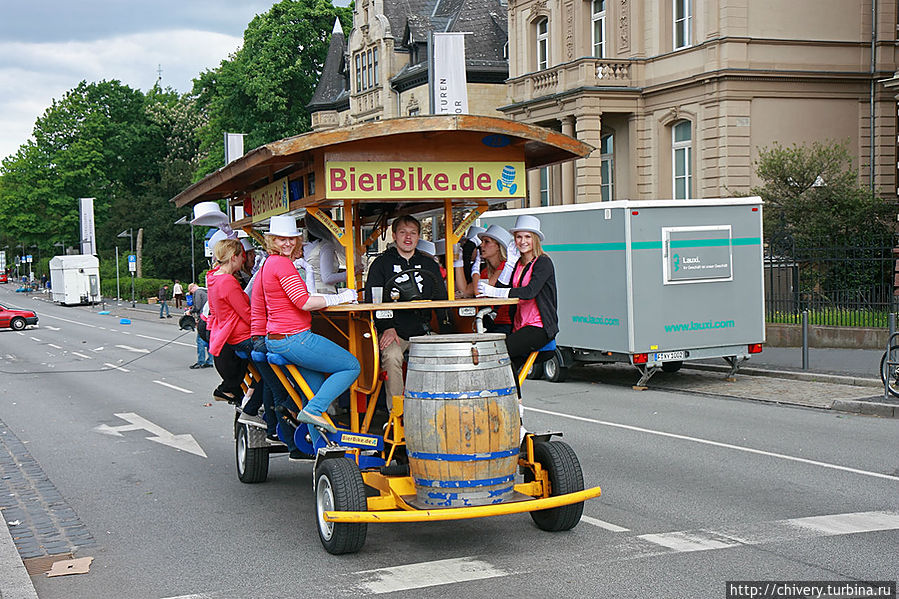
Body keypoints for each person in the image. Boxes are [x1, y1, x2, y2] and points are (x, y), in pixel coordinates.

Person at [252, 214, 359, 445]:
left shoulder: (268, 264)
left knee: (315, 389)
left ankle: (319, 445)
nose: (288, 243)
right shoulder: (281, 264)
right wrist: (343, 297)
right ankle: (315, 412)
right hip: (295, 338)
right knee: (351, 365)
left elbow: (261, 303)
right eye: (281, 239)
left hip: (278, 338)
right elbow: (304, 302)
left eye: (291, 238)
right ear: (272, 240)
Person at [364, 215, 448, 401]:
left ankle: (436, 406)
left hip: (423, 330)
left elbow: (442, 299)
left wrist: (444, 331)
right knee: (392, 356)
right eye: (403, 233)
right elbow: (372, 300)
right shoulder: (380, 264)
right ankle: (398, 415)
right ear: (394, 235)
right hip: (394, 332)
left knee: (445, 352)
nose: (408, 237)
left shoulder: (429, 264)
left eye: (413, 233)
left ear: (419, 237)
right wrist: (387, 327)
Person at [477, 215, 558, 374]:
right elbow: (501, 287)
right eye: (519, 237)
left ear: (535, 239)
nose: (523, 241)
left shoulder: (543, 262)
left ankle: (512, 398)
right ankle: (514, 399)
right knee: (506, 368)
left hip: (539, 327)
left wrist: (493, 291)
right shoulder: (518, 264)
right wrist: (509, 263)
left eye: (527, 236)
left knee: (501, 350)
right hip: (520, 326)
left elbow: (529, 292)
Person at [207, 239, 253, 403]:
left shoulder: (213, 278)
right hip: (242, 335)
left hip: (228, 334)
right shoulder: (228, 281)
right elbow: (246, 313)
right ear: (234, 257)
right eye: (243, 256)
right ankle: (252, 402)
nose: (244, 260)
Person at [471, 224, 515, 334]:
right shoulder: (487, 271)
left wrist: (475, 269)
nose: (481, 245)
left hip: (508, 323)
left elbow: (478, 292)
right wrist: (459, 263)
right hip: (494, 321)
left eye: (487, 241)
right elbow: (466, 290)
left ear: (498, 247)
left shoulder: (505, 266)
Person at [187, 283, 214, 369]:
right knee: (209, 340)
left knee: (200, 340)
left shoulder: (197, 292)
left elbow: (198, 306)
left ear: (192, 289)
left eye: (191, 292)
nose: (191, 294)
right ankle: (210, 361)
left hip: (203, 319)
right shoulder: (207, 291)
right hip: (210, 318)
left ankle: (200, 361)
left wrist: (190, 311)